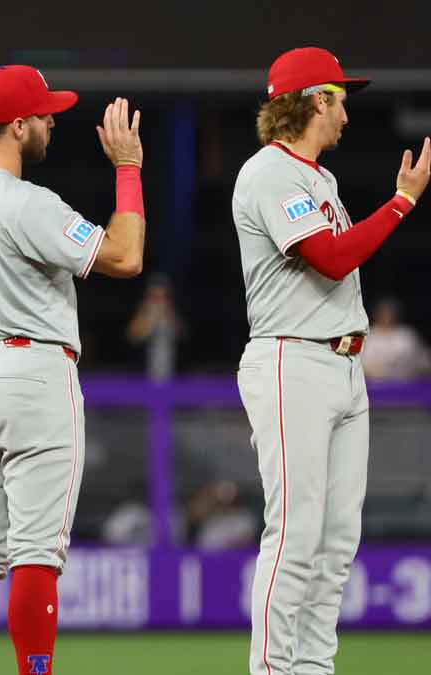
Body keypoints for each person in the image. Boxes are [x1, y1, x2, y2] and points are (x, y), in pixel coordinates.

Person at [0, 65, 145, 675]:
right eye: (44, 115)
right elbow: (126, 256)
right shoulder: (26, 202)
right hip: (32, 374)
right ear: (17, 125)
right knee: (34, 555)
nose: (52, 122)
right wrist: (128, 168)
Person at [231, 47, 430, 675]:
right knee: (294, 534)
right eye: (340, 98)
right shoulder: (268, 172)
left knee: (337, 540)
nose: (346, 111)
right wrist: (401, 202)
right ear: (316, 99)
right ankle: (271, 669)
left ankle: (314, 668)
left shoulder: (319, 178)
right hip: (293, 360)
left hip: (342, 365)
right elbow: (332, 257)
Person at [361, 297, 431, 380]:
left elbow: (424, 360)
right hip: (374, 386)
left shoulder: (407, 335)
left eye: (389, 313)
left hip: (406, 384)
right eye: (383, 313)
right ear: (376, 315)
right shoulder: (366, 335)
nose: (386, 317)